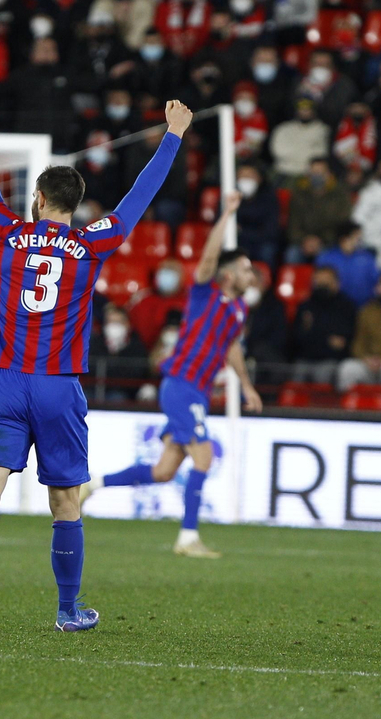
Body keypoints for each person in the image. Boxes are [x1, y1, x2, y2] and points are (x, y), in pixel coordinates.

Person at [0, 94, 191, 633]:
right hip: (57, 387)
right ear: (77, 206)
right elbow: (138, 197)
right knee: (65, 503)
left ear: (36, 198)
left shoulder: (8, 234)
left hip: (4, 382)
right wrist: (171, 134)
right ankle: (66, 611)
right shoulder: (93, 242)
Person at [81, 192, 263, 558]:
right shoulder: (204, 292)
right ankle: (187, 538)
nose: (251, 275)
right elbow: (210, 256)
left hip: (195, 390)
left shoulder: (239, 309)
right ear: (228, 275)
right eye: (245, 270)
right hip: (181, 385)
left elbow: (231, 347)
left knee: (164, 471)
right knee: (204, 458)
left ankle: (91, 486)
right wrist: (226, 213)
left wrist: (245, 385)